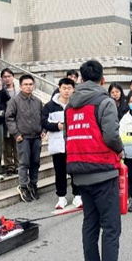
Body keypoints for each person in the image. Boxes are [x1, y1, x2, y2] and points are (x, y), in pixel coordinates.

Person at [65, 60, 132, 261]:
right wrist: (120, 150)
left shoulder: (70, 106)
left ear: (80, 79)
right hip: (102, 170)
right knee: (110, 227)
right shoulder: (104, 101)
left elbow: (69, 136)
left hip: (79, 172)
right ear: (103, 80)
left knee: (90, 224)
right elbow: (110, 135)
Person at [42, 77, 81, 209]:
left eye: (69, 88)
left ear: (73, 89)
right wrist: (55, 126)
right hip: (58, 145)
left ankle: (77, 196)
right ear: (59, 88)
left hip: (74, 144)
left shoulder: (76, 104)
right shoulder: (50, 106)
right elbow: (43, 122)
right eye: (64, 88)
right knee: (60, 172)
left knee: (76, 171)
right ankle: (61, 197)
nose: (66, 91)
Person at [5, 75, 45, 202]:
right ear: (20, 86)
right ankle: (23, 186)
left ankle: (33, 184)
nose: (28, 87)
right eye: (26, 84)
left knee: (35, 162)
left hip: (36, 136)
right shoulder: (14, 101)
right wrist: (16, 134)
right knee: (24, 163)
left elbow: (43, 117)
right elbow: (9, 118)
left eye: (30, 84)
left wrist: (43, 130)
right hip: (23, 137)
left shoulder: (37, 101)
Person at [1, 68, 19, 176]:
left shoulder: (19, 90)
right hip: (5, 120)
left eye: (9, 76)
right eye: (5, 77)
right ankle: (9, 166)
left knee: (17, 144)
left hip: (18, 120)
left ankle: (18, 165)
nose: (7, 79)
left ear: (13, 77)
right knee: (7, 145)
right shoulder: (0, 90)